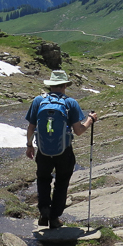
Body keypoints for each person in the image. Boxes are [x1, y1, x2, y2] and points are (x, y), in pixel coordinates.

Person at [25, 69, 98, 229]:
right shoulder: (70, 103)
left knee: (43, 180)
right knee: (62, 182)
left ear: (51, 85)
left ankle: (44, 211)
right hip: (64, 150)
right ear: (65, 85)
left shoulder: (38, 100)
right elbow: (78, 131)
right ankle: (54, 218)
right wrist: (90, 120)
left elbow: (31, 127)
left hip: (43, 150)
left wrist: (30, 146)